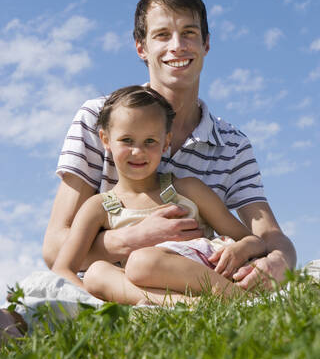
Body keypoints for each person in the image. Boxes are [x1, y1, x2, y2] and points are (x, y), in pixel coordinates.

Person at [43, 0, 296, 290]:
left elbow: (268, 235)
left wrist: (279, 260)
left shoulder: (233, 144)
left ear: (206, 44)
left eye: (189, 32)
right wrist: (130, 239)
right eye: (162, 35)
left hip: (195, 284)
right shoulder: (98, 117)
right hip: (110, 291)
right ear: (141, 47)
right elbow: (55, 249)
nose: (177, 45)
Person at [52, 85, 267, 305]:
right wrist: (90, 299)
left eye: (150, 141)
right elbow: (62, 269)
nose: (138, 151)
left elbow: (253, 241)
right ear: (105, 140)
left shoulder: (187, 190)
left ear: (165, 142)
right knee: (95, 273)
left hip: (203, 273)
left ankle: (236, 299)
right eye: (126, 140)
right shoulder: (98, 207)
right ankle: (180, 306)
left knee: (141, 262)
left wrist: (241, 249)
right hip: (150, 289)